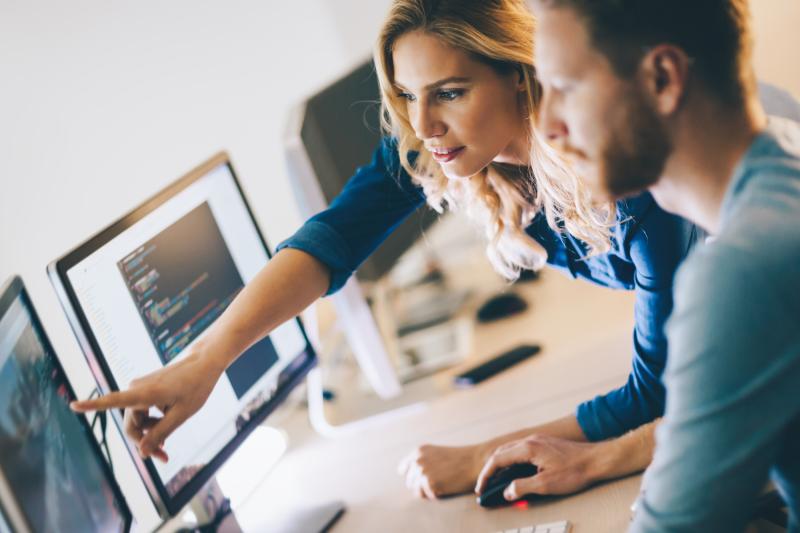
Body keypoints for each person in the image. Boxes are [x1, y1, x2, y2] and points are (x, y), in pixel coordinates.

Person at [70, 0, 789, 507]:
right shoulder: (446, 143)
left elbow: (658, 391)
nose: (423, 124)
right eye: (408, 95)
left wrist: (486, 455)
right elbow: (333, 237)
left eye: (449, 91)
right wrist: (208, 358)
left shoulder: (622, 164)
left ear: (520, 72)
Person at [476, 1, 800, 530]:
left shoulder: (742, 272)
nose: (548, 126)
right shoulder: (785, 158)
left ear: (662, 78)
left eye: (566, 87)